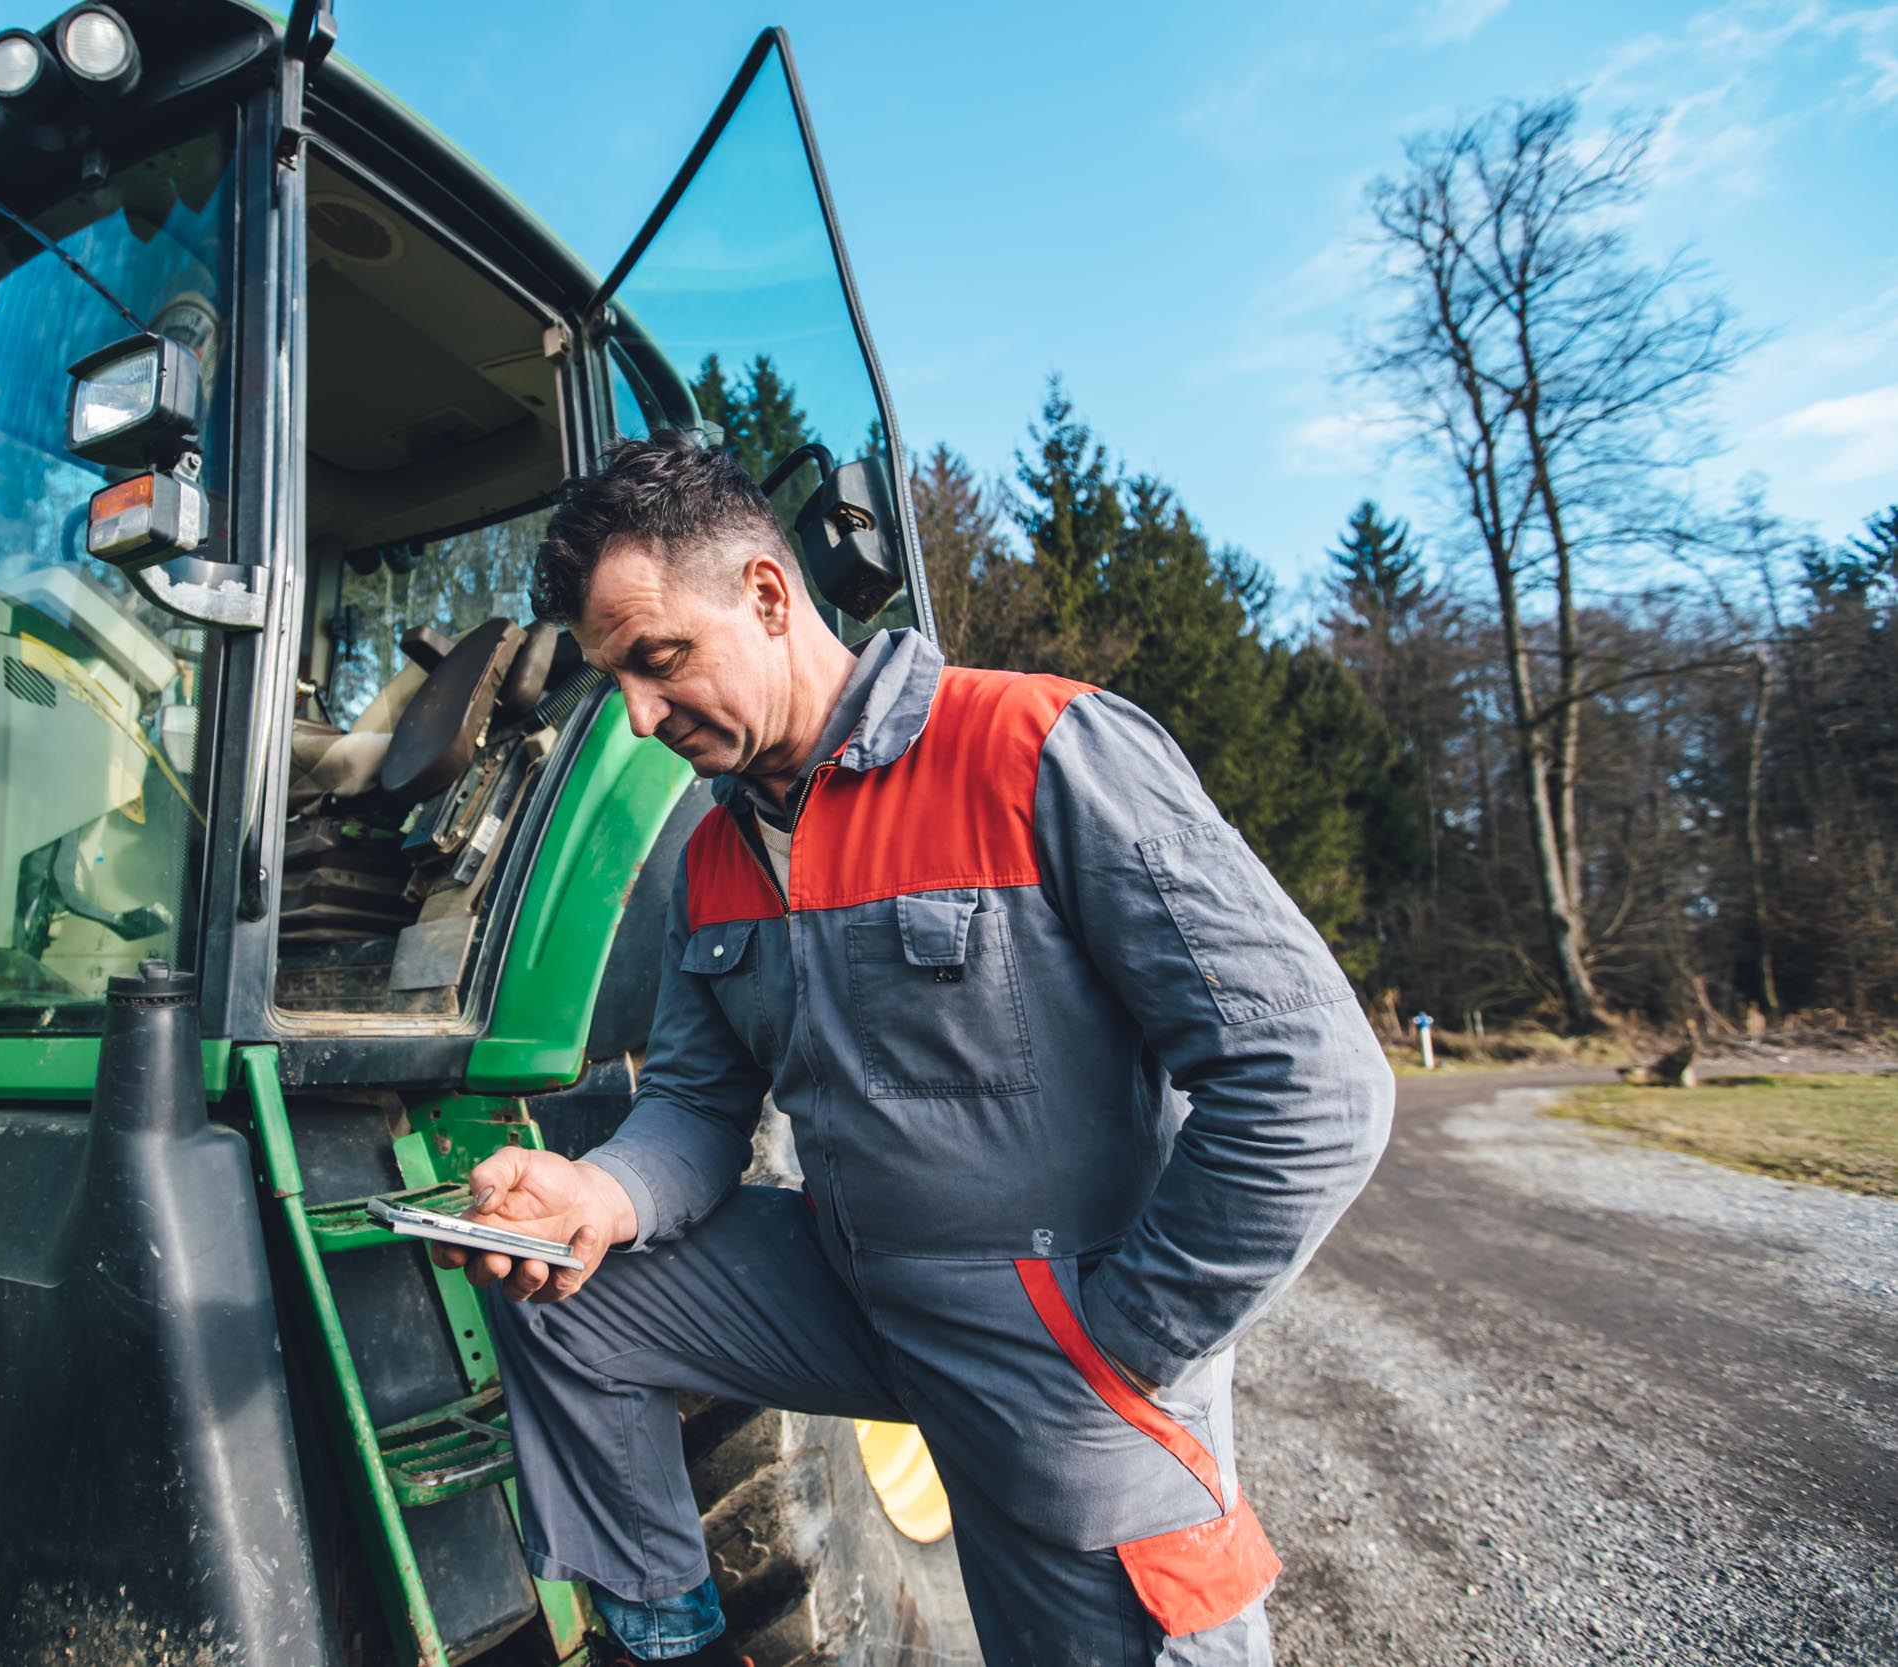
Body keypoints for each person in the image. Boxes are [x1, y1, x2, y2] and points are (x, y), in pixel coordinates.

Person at [427, 433, 1394, 1667]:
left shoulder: (1038, 748)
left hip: (1060, 1343)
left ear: (768, 594)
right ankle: (668, 1642)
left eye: (658, 661)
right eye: (614, 679)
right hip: (855, 1294)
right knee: (565, 1293)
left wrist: (1122, 1340)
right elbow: (693, 1107)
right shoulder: (713, 857)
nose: (638, 715)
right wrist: (598, 1193)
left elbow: (1311, 1084)